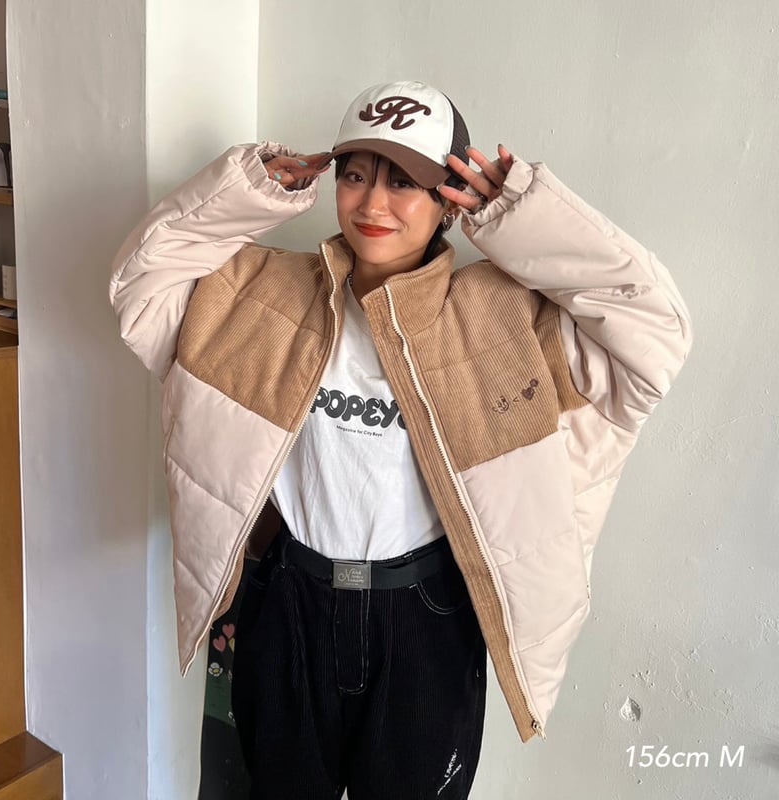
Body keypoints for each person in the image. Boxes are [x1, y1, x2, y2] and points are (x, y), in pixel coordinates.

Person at [110, 80, 692, 799]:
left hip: (426, 616)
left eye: (404, 182)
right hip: (289, 604)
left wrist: (522, 217)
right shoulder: (260, 294)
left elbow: (657, 338)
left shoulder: (503, 319)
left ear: (450, 200)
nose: (372, 204)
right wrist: (245, 192)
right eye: (355, 175)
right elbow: (138, 287)